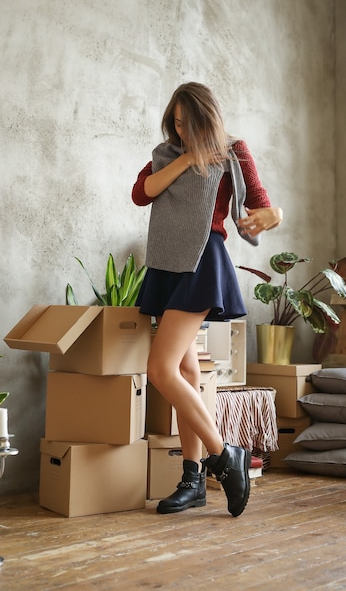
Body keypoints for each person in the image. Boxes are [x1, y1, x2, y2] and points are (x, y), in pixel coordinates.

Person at [132, 82, 283, 517]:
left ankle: (224, 454)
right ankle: (193, 478)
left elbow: (261, 205)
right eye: (175, 121)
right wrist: (186, 158)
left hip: (202, 262)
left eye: (188, 123)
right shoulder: (168, 153)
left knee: (159, 368)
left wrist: (274, 216)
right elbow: (142, 192)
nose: (180, 128)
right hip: (166, 263)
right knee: (183, 368)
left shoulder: (233, 151)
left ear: (206, 119)